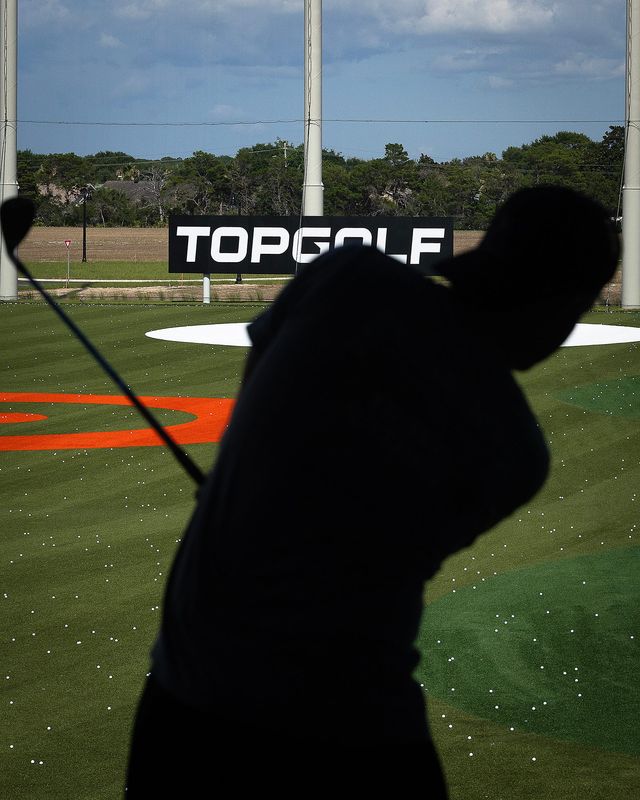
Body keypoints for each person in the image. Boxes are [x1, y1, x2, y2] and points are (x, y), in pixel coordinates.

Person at [124, 186, 619, 796]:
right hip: (353, 726)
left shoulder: (349, 278)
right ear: (560, 303)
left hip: (188, 701)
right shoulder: (516, 452)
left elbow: (262, 373)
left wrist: (247, 478)